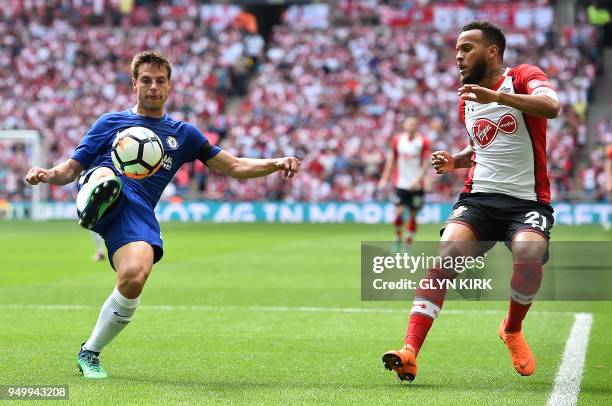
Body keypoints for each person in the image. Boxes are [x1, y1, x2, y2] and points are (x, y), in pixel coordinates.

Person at [26, 51, 300, 379]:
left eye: (160, 81)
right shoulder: (110, 123)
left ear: (170, 86)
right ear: (134, 84)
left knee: (134, 278)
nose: (153, 86)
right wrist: (47, 174)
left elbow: (235, 166)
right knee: (105, 177)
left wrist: (275, 162)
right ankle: (95, 201)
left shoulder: (183, 134)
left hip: (137, 212)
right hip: (101, 185)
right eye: (146, 80)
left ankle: (90, 351)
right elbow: (69, 169)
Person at [382, 21, 560, 382]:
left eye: (466, 49)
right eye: (458, 50)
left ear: (492, 51)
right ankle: (410, 351)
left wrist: (498, 98)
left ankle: (511, 328)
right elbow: (483, 146)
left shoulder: (524, 76)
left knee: (528, 252)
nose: (458, 57)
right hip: (478, 199)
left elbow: (550, 106)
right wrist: (456, 161)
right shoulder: (468, 98)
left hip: (526, 201)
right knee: (445, 255)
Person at [378, 117, 430, 245]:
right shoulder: (398, 140)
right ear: (405, 126)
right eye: (409, 124)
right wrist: (384, 178)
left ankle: (408, 241)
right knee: (399, 212)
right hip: (401, 183)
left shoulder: (423, 141)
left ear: (417, 126)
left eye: (413, 124)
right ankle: (397, 236)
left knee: (413, 214)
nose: (411, 126)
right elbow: (392, 160)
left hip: (417, 186)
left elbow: (425, 165)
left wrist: (417, 180)